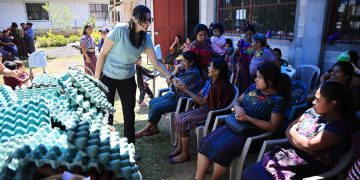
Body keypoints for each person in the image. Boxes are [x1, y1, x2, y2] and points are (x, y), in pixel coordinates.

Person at [95, 5, 178, 145]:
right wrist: (97, 80)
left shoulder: (146, 38)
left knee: (129, 115)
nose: (147, 23)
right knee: (106, 114)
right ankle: (106, 147)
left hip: (127, 79)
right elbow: (102, 54)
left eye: (149, 20)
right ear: (133, 18)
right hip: (108, 78)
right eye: (143, 20)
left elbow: (156, 63)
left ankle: (130, 148)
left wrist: (172, 77)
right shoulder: (120, 30)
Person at [195, 62, 290, 179]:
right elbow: (237, 101)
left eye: (259, 77)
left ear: (269, 81)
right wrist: (238, 107)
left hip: (252, 134)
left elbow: (272, 126)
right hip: (235, 125)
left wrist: (248, 118)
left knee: (222, 152)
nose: (255, 80)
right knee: (206, 142)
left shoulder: (278, 99)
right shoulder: (253, 88)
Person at [243, 81, 355, 180]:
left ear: (332, 104)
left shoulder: (339, 127)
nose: (313, 102)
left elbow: (307, 144)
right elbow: (288, 129)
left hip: (307, 167)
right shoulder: (313, 111)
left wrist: (294, 132)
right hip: (291, 156)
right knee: (250, 171)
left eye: (317, 99)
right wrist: (296, 138)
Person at [169, 59, 236, 164]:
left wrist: (186, 90)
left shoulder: (219, 85)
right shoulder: (212, 81)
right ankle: (180, 147)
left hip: (211, 114)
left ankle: (185, 154)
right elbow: (201, 96)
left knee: (182, 121)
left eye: (211, 66)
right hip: (205, 109)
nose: (208, 68)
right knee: (178, 117)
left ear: (217, 71)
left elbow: (201, 101)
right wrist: (186, 89)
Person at [135, 51, 203, 138]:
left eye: (184, 61)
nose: (181, 63)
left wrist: (172, 80)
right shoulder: (184, 69)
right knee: (152, 102)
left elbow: (177, 85)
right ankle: (154, 129)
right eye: (181, 61)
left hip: (180, 100)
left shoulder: (194, 73)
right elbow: (169, 81)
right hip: (172, 95)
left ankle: (145, 129)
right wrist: (176, 70)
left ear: (191, 62)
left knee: (156, 108)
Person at [231, 23, 255, 94]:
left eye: (250, 34)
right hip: (243, 65)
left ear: (254, 34)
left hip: (253, 66)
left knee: (251, 82)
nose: (248, 36)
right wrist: (233, 65)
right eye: (246, 34)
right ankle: (240, 96)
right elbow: (235, 54)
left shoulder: (256, 43)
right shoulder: (242, 42)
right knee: (242, 82)